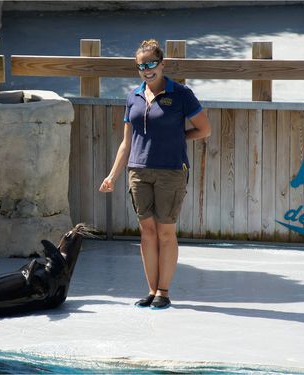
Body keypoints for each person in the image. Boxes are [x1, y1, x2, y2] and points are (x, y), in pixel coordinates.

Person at [99, 39, 211, 309]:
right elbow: (127, 142)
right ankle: (151, 290)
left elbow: (204, 129)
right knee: (147, 233)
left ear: (162, 64)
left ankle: (164, 291)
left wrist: (177, 138)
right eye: (141, 66)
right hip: (138, 172)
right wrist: (112, 176)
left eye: (151, 64)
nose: (146, 70)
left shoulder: (181, 94)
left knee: (165, 233)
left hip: (170, 172)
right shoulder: (133, 97)